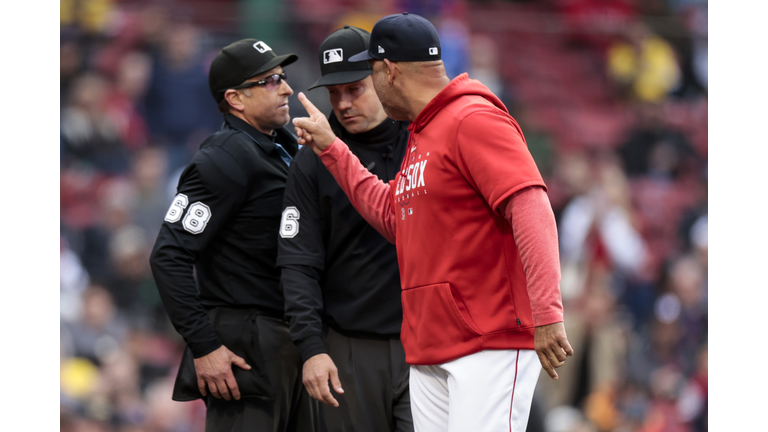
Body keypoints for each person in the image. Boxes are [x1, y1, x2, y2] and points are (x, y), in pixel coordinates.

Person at [292, 13, 574, 432]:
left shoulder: (472, 118)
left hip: (489, 342)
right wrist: (334, 150)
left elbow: (530, 206)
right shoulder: (424, 131)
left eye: (370, 71)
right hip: (431, 344)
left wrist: (548, 312)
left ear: (388, 70)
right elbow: (395, 215)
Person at [149, 38, 317, 432]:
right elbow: (168, 256)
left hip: (287, 337)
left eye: (284, 77)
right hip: (248, 345)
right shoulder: (223, 157)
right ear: (236, 99)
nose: (287, 88)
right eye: (272, 80)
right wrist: (204, 345)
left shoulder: (281, 146)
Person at [277, 26, 412, 432]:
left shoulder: (423, 139)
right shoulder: (314, 157)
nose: (343, 103)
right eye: (334, 93)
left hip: (425, 340)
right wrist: (312, 348)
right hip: (349, 346)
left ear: (383, 77)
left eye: (355, 89)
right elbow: (298, 262)